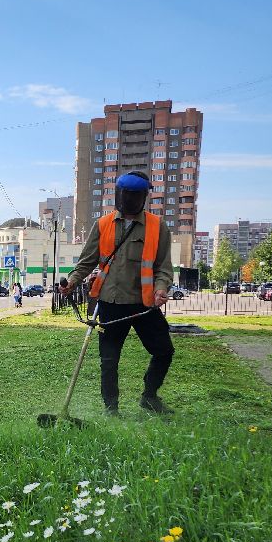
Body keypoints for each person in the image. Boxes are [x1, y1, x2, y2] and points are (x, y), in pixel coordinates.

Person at [59, 171, 174, 415]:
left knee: (164, 350)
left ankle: (149, 397)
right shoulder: (102, 225)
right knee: (109, 360)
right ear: (118, 194)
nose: (128, 199)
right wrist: (70, 282)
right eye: (124, 194)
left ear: (143, 197)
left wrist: (161, 290)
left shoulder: (157, 226)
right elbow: (86, 262)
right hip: (110, 302)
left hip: (144, 304)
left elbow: (163, 267)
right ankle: (111, 408)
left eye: (134, 195)